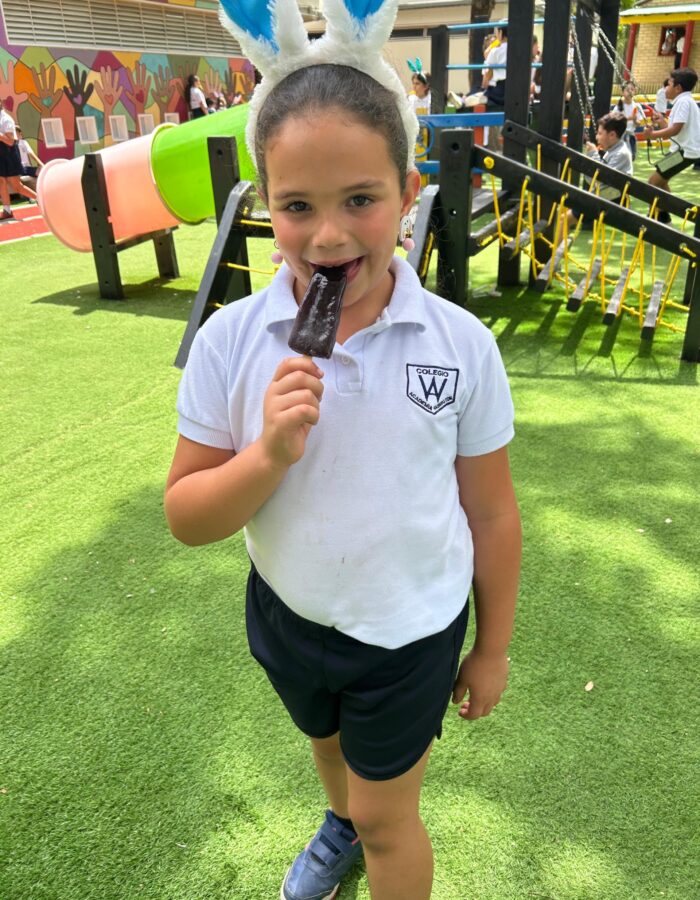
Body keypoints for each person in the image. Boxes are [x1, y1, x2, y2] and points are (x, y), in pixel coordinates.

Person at [167, 2, 521, 898]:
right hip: (289, 614)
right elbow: (187, 517)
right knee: (327, 750)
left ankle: (366, 826)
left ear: (408, 193)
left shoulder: (460, 346)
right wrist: (266, 456)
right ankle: (341, 820)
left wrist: (492, 648)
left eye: (361, 200)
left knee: (389, 819)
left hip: (409, 630)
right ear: (265, 205)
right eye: (298, 207)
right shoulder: (230, 343)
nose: (328, 237)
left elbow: (490, 510)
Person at [639, 67, 700, 222]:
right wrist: (661, 122)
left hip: (684, 153)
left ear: (678, 88)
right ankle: (664, 217)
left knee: (653, 182)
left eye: (669, 84)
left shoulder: (683, 102)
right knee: (661, 182)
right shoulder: (685, 101)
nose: (666, 88)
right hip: (684, 152)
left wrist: (652, 135)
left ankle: (657, 218)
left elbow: (674, 130)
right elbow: (672, 131)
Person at [565, 112, 633, 231]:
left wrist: (593, 154)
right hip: (603, 197)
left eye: (600, 133)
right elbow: (593, 180)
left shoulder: (621, 154)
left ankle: (555, 244)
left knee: (564, 219)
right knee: (565, 212)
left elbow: (600, 180)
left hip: (611, 201)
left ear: (612, 135)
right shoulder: (613, 151)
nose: (597, 137)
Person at [0, 98, 36, 221]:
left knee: (16, 186)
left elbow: (10, 141)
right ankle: (7, 210)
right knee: (1, 181)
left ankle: (40, 199)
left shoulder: (6, 119)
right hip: (0, 154)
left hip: (9, 153)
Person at [482, 25, 508, 150]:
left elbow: (488, 73)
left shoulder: (496, 51)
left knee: (483, 101)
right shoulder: (517, 49)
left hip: (499, 91)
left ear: (501, 33)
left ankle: (489, 144)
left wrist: (485, 86)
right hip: (514, 90)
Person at [616, 81, 644, 161]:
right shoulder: (619, 106)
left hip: (631, 135)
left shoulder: (637, 106)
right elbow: (615, 121)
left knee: (631, 157)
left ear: (635, 91)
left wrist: (635, 120)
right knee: (620, 157)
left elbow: (639, 123)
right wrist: (629, 118)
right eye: (627, 90)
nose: (630, 92)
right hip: (620, 136)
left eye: (632, 89)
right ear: (622, 92)